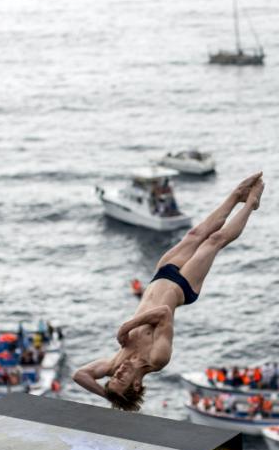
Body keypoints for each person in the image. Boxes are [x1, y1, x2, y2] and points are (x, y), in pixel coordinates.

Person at [73, 173, 265, 411]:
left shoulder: (115, 363)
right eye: (121, 379)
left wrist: (110, 395)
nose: (118, 372)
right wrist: (127, 327)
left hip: (160, 276)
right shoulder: (157, 358)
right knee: (214, 240)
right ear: (135, 386)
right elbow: (163, 313)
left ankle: (237, 194)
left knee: (196, 234)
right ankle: (250, 204)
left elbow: (80, 375)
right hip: (183, 287)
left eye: (113, 377)